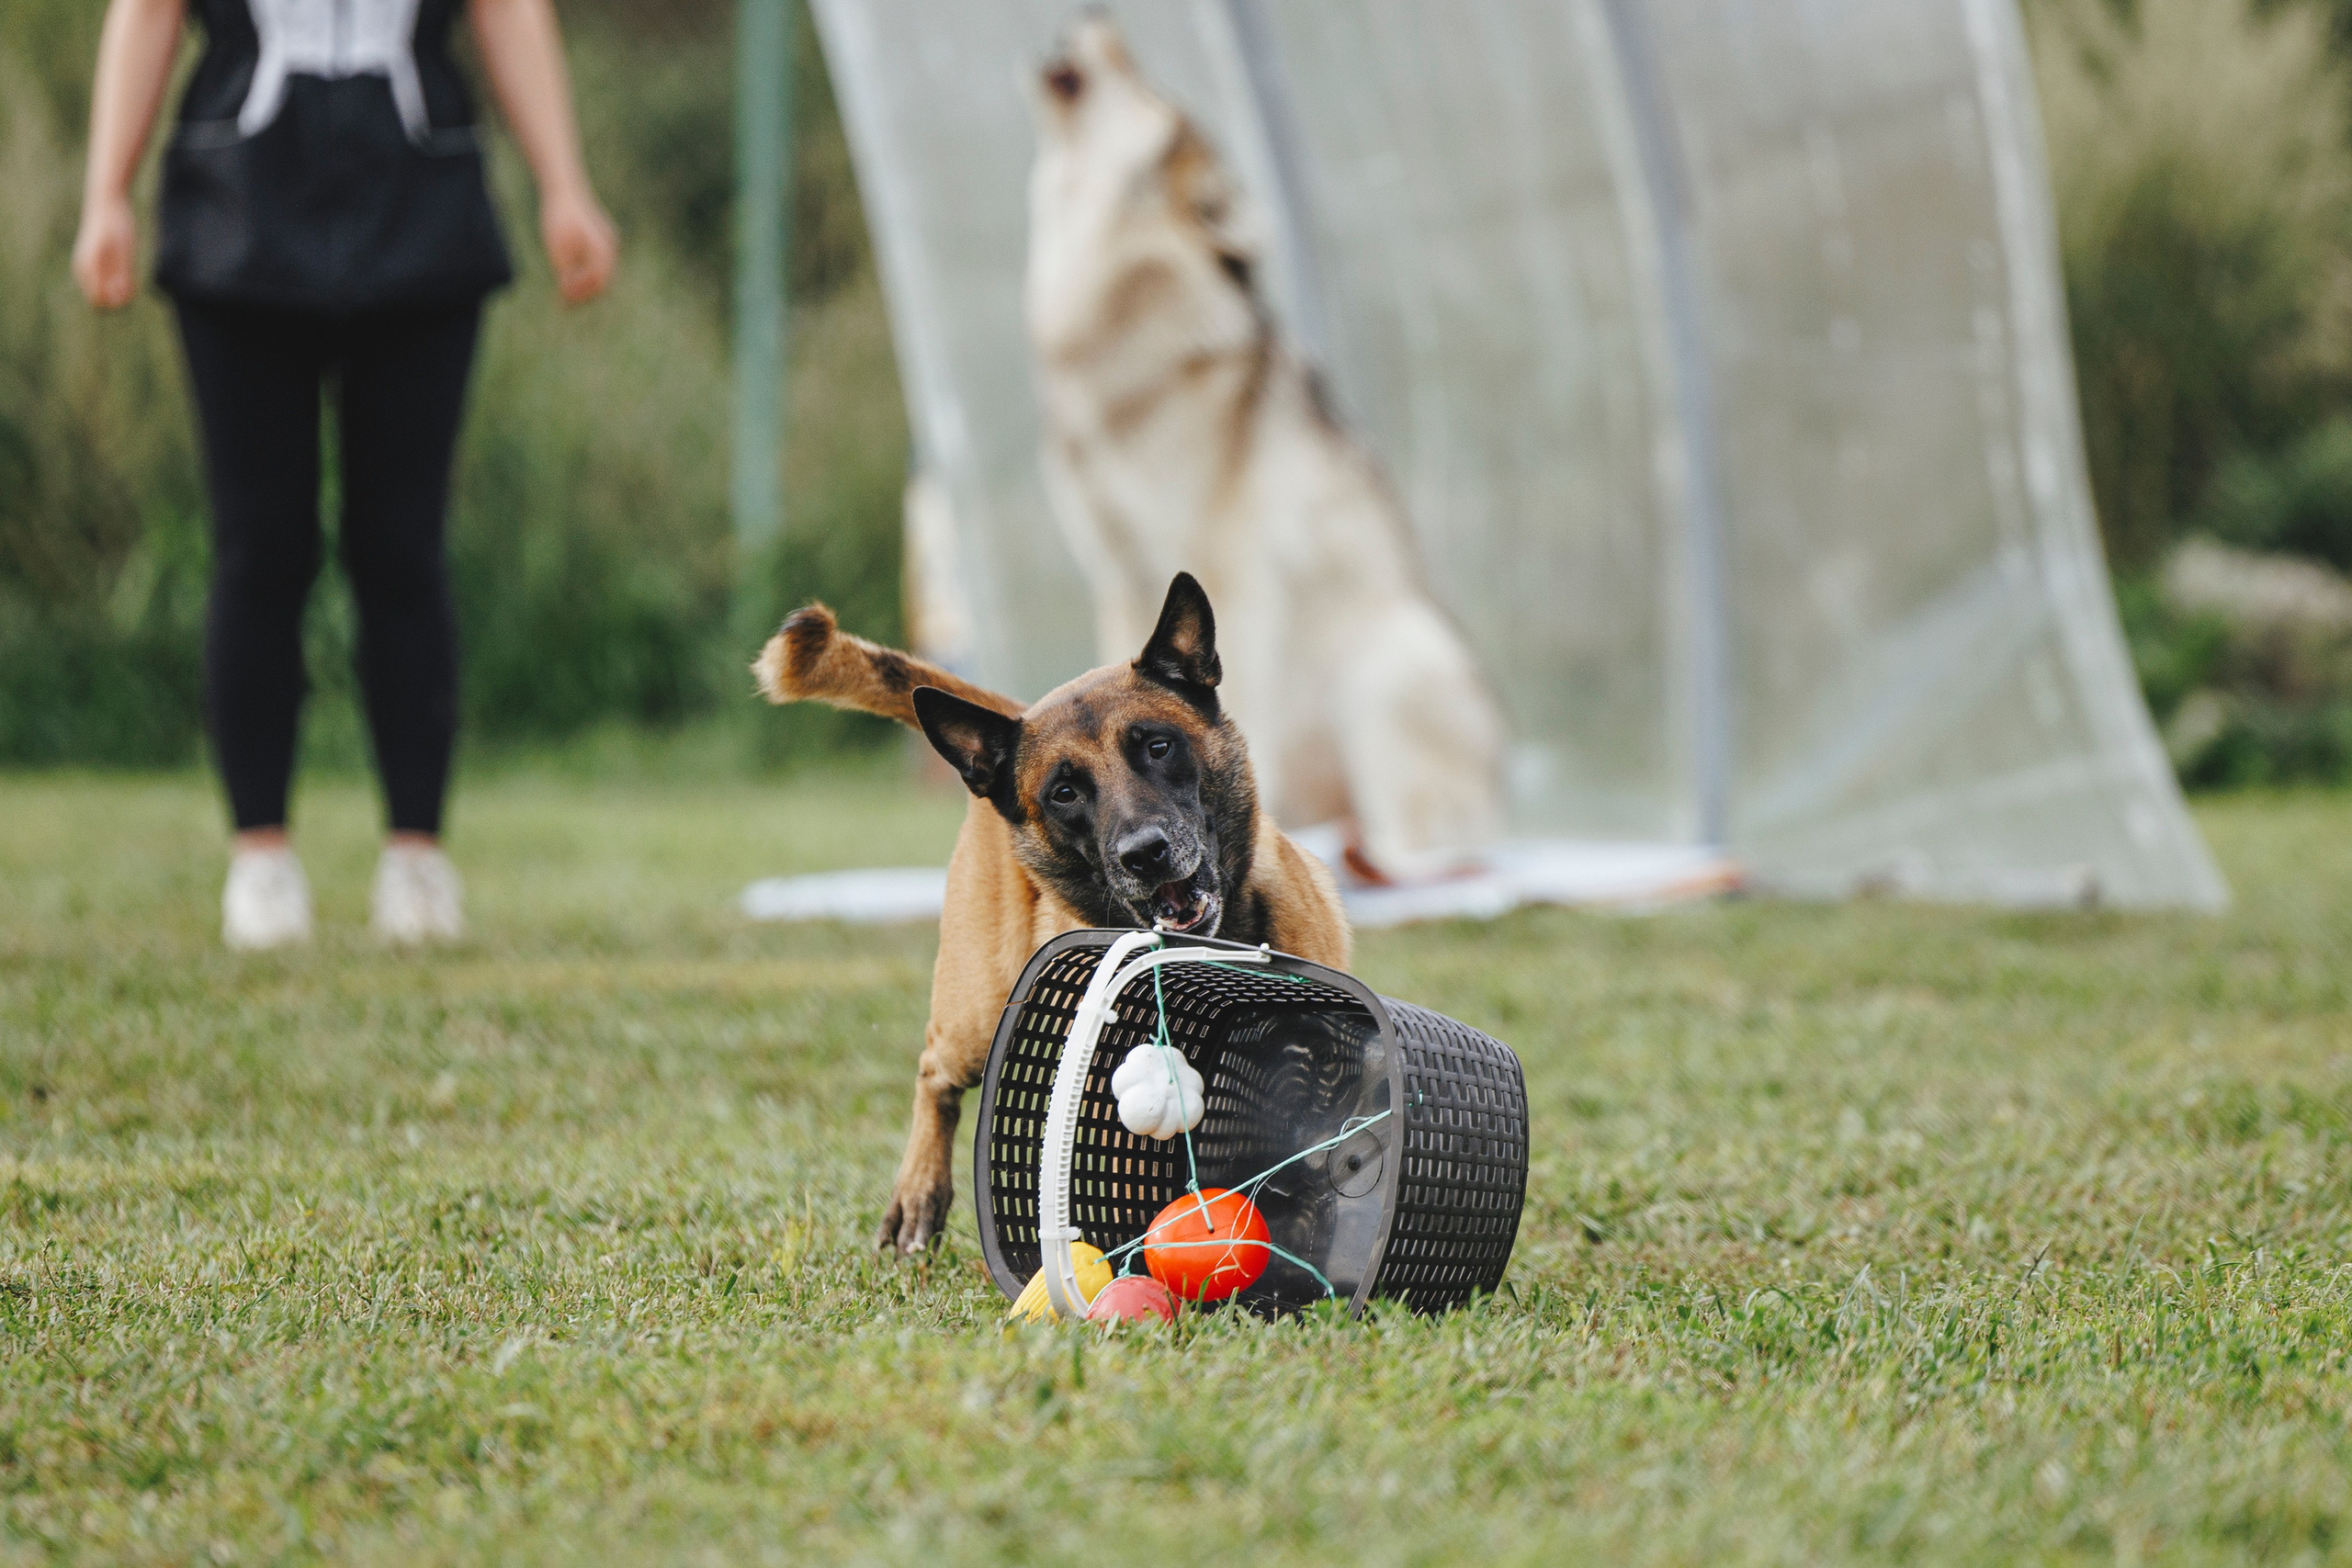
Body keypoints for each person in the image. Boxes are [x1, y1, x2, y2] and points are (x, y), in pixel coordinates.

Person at [73, 0, 616, 949]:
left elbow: (509, 12)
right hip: (235, 215)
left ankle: (415, 861)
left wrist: (563, 186)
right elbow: (148, 11)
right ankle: (261, 860)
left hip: (422, 214)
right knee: (259, 547)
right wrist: (104, 195)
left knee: (401, 549)